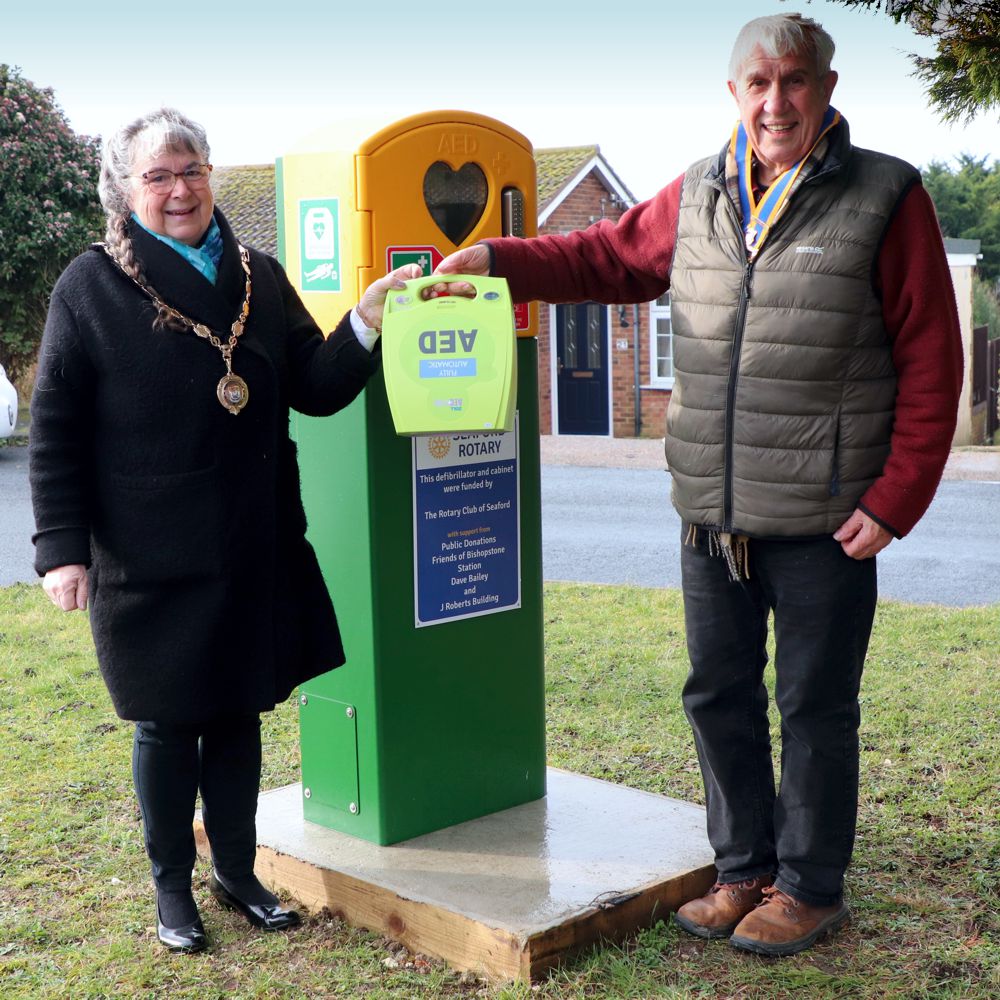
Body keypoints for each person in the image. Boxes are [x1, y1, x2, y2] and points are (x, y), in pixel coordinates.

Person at [435, 13, 963, 957]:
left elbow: (931, 355)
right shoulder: (701, 191)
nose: (775, 102)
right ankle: (742, 871)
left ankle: (808, 886)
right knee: (717, 694)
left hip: (825, 516)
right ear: (734, 95)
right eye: (757, 85)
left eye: (794, 83)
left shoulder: (887, 194)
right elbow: (603, 255)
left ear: (827, 91)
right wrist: (500, 260)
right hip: (710, 518)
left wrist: (896, 498)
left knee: (813, 707)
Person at [29, 107, 420, 954]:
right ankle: (173, 887)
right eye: (159, 176)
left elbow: (315, 386)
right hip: (149, 550)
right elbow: (55, 427)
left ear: (212, 174)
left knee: (240, 713)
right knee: (169, 724)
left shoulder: (259, 274)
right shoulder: (89, 286)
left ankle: (236, 871)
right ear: (127, 191)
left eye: (192, 169)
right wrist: (60, 549)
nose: (179, 190)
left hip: (254, 541)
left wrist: (366, 321)